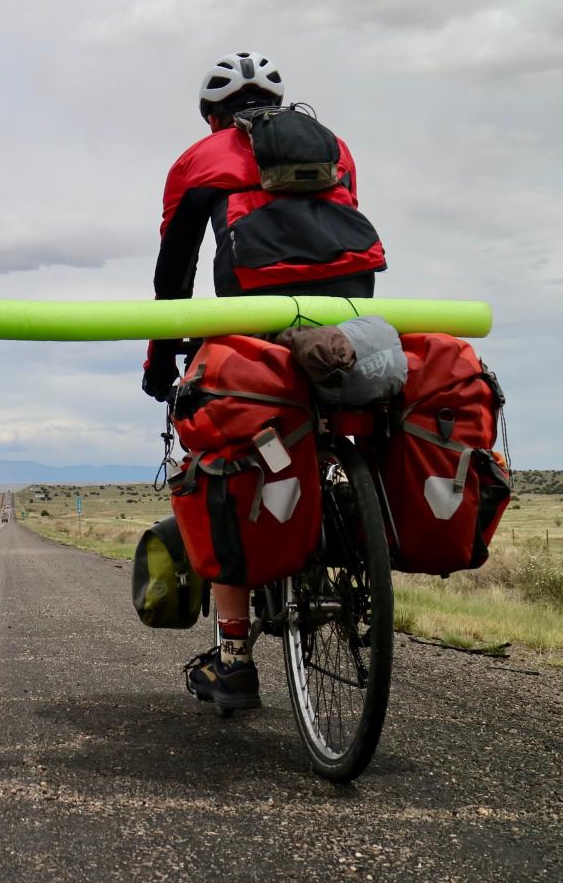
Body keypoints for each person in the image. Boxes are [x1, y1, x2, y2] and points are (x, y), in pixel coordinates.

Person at [142, 51, 385, 712]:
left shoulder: (201, 158)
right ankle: (356, 543)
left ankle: (234, 661)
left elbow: (175, 274)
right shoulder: (336, 147)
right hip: (344, 313)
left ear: (212, 114)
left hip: (249, 316)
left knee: (222, 457)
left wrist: (161, 362)